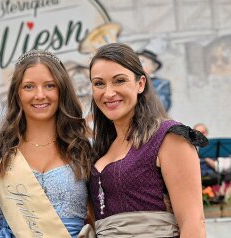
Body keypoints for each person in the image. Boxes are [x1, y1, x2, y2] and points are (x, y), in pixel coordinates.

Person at [88, 43, 207, 237]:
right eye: (99, 83)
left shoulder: (169, 137)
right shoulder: (101, 147)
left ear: (140, 84)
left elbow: (193, 223)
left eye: (119, 81)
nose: (108, 93)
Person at [0, 50, 92, 238]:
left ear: (61, 90)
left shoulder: (83, 148)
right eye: (29, 87)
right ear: (17, 93)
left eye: (49, 86)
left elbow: (97, 218)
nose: (40, 95)